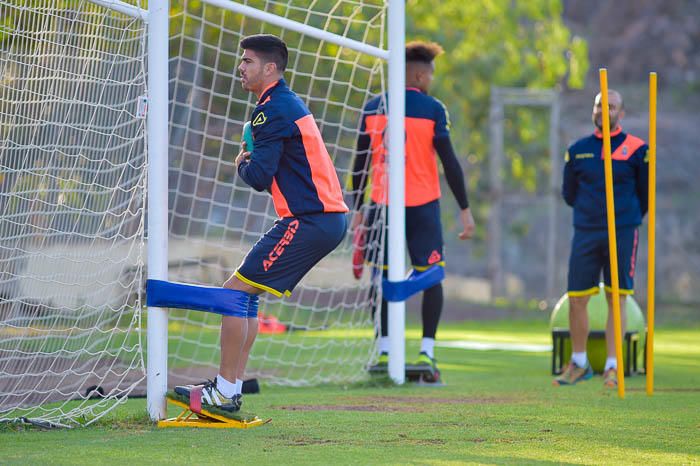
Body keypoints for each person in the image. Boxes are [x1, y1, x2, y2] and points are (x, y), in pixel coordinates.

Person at [175, 34, 348, 411]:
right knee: (244, 297)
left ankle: (223, 391)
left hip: (312, 220)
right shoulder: (280, 104)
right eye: (242, 60)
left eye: (249, 61)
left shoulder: (271, 110)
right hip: (317, 220)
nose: (241, 67)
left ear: (270, 68)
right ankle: (229, 391)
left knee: (232, 294)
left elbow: (259, 177)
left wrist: (241, 162)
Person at [351, 41, 475, 378]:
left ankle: (384, 352)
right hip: (422, 207)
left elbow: (359, 164)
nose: (431, 80)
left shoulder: (373, 107)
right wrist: (465, 209)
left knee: (381, 279)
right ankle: (427, 354)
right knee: (431, 277)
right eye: (430, 74)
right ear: (420, 74)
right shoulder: (433, 108)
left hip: (381, 206)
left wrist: (357, 209)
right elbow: (450, 164)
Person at [554, 89, 648, 388]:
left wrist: (625, 217)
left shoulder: (637, 149)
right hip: (586, 231)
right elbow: (569, 194)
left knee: (616, 297)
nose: (603, 111)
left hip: (622, 230)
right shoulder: (578, 149)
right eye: (598, 105)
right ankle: (579, 363)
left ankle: (612, 365)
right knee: (577, 298)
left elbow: (645, 196)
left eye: (610, 106)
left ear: (621, 113)